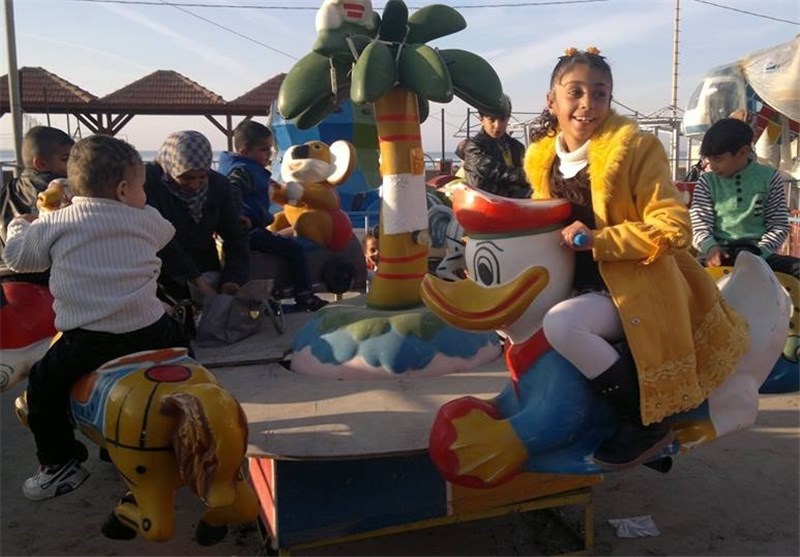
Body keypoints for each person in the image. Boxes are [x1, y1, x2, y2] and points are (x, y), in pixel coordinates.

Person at [523, 47, 749, 470]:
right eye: (575, 92)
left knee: (563, 325)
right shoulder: (542, 159)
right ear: (552, 101)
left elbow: (673, 227)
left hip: (632, 285)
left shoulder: (636, 149)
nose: (588, 104)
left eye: (600, 93)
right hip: (573, 282)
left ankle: (648, 424)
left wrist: (598, 240)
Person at [3, 134, 191, 501]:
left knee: (42, 386)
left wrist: (22, 224)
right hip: (152, 330)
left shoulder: (56, 223)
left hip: (89, 339)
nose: (144, 195)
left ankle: (59, 463)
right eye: (142, 188)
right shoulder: (145, 218)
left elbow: (20, 260)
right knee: (186, 355)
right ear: (123, 190)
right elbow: (165, 232)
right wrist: (140, 209)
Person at [217, 121, 327, 311]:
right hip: (249, 230)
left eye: (270, 149)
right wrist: (239, 215)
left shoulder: (244, 167)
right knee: (295, 250)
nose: (269, 154)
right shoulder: (243, 170)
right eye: (264, 149)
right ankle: (304, 294)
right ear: (244, 151)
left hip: (245, 227)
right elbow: (232, 189)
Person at [144, 130, 250, 304]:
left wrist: (232, 278)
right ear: (172, 167)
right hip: (161, 274)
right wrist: (196, 280)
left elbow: (235, 235)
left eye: (202, 177)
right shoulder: (148, 184)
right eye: (187, 177)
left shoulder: (218, 186)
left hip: (206, 265)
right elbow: (161, 238)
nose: (194, 185)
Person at [689, 117, 798, 279]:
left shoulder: (769, 177)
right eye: (709, 159)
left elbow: (778, 225)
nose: (712, 166)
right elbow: (699, 223)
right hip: (717, 252)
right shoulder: (707, 181)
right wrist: (710, 247)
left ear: (743, 152)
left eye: (718, 159)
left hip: (759, 252)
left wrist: (761, 253)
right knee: (681, 274)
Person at [1, 126, 74, 282]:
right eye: (66, 159)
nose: (74, 166)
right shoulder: (64, 193)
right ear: (40, 163)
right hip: (48, 281)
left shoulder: (6, 190)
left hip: (8, 280)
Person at [462, 95, 530, 199]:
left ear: (508, 119)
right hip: (488, 202)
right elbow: (496, 172)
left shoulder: (517, 147)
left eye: (502, 120)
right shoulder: (475, 147)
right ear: (481, 119)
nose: (497, 125)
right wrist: (531, 175)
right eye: (492, 119)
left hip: (516, 201)